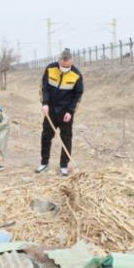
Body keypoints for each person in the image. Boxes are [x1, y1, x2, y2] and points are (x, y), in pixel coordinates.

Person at [38, 48, 84, 177]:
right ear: (59, 61)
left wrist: (70, 111)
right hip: (50, 111)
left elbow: (78, 95)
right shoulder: (50, 68)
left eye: (67, 66)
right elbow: (44, 88)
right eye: (62, 66)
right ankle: (44, 163)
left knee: (66, 138)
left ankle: (64, 165)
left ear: (72, 62)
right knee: (46, 136)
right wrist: (45, 103)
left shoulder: (76, 75)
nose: (64, 68)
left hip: (66, 113)